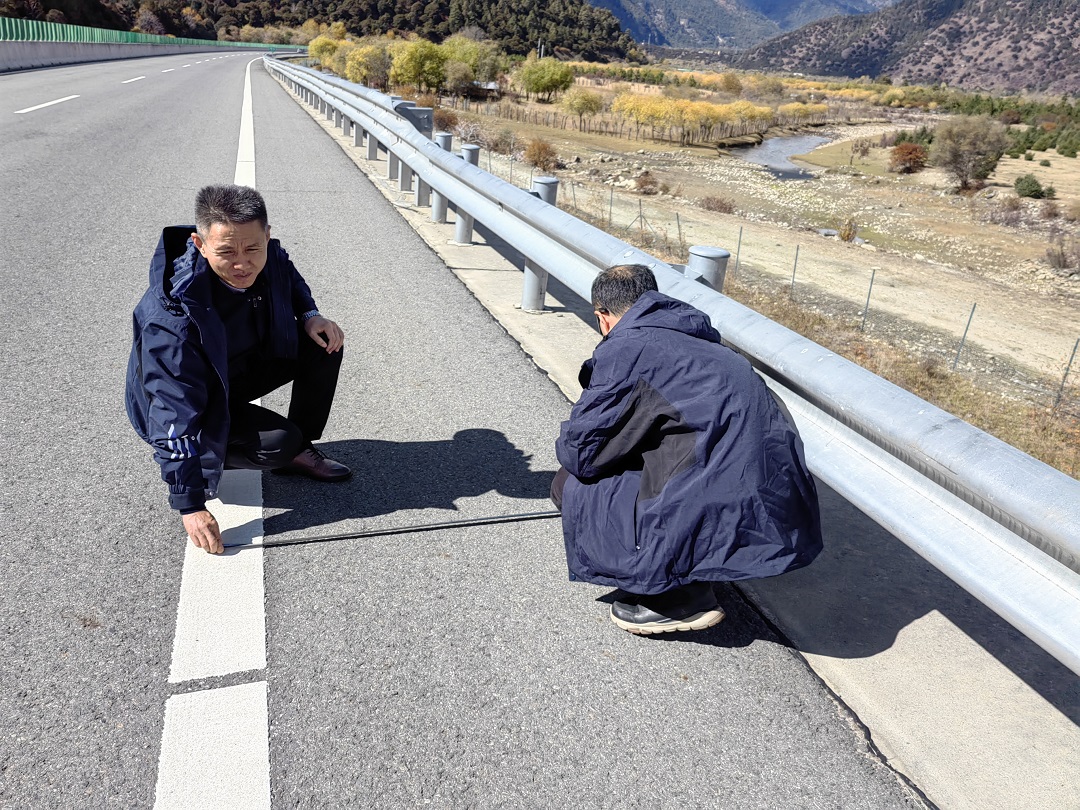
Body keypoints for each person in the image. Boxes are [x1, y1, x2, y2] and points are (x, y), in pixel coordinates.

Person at [552, 264, 823, 635]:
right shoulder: (697, 334)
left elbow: (581, 452)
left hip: (722, 498)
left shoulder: (629, 348)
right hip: (773, 503)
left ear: (603, 316)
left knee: (571, 482)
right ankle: (698, 561)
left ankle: (678, 597)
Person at [126, 184, 351, 555]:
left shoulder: (267, 253)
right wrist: (190, 504)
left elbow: (286, 273)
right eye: (226, 252)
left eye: (252, 249)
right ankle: (276, 447)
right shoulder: (172, 321)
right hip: (192, 397)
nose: (242, 263)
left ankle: (301, 447)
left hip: (237, 368)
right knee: (275, 443)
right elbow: (170, 410)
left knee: (324, 342)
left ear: (266, 235)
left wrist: (310, 315)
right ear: (200, 244)